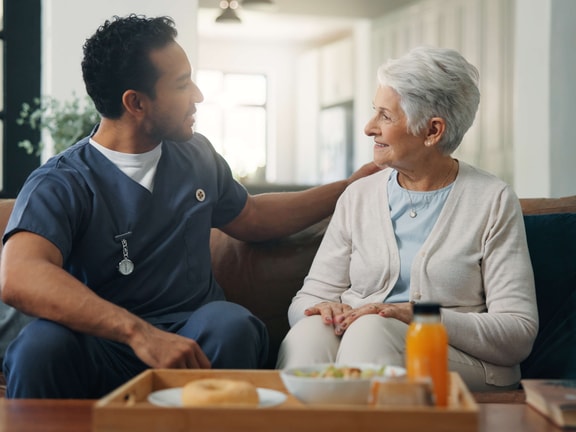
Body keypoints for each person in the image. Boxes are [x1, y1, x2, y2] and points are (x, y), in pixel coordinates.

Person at [0, 14, 379, 399]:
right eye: (182, 84)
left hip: (192, 338)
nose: (198, 95)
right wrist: (138, 332)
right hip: (101, 342)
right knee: (38, 348)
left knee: (232, 324)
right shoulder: (61, 181)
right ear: (136, 103)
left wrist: (346, 188)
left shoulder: (196, 155)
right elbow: (20, 275)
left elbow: (253, 217)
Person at [276, 46, 539, 392]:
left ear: (432, 130)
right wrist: (322, 310)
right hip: (363, 337)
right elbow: (305, 301)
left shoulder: (493, 200)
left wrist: (421, 316)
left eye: (385, 116)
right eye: (375, 112)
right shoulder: (358, 196)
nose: (369, 128)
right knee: (310, 332)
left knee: (370, 330)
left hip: (458, 358)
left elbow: (517, 333)